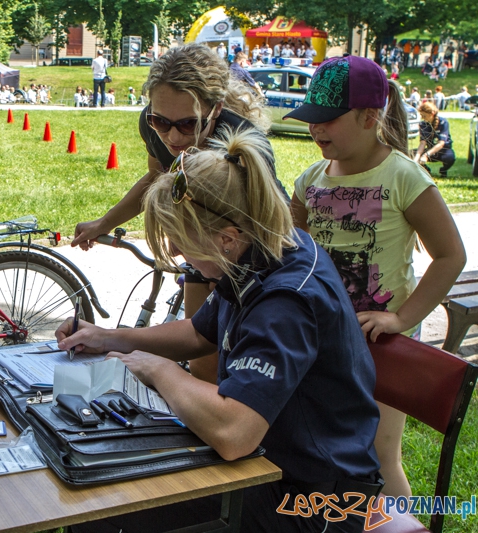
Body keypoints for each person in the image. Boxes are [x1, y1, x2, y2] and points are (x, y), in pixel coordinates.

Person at [62, 128, 384, 533]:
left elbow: (234, 433)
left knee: (106, 513)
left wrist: (161, 371)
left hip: (314, 502)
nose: (176, 252)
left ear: (227, 238)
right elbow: (199, 334)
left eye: (181, 241)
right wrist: (110, 337)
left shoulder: (286, 302)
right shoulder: (262, 249)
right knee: (104, 496)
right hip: (271, 469)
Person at [286, 56, 466, 497]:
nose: (315, 128)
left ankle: (399, 524)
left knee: (381, 454)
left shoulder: (404, 176)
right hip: (324, 337)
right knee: (326, 444)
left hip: (381, 341)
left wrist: (401, 319)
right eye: (311, 118)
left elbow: (450, 255)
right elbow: (291, 254)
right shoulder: (310, 181)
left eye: (328, 118)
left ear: (370, 117)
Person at [72, 43, 278, 384]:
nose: (171, 135)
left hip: (244, 254)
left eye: (187, 124)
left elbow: (258, 230)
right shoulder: (154, 128)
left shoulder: (243, 143)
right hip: (204, 247)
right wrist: (103, 223)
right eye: (160, 121)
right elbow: (156, 178)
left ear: (216, 109)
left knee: (227, 366)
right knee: (201, 364)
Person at [414, 101, 456, 178]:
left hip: (443, 151)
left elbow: (441, 143)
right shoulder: (423, 124)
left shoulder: (443, 122)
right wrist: (416, 158)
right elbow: (423, 143)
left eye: (424, 116)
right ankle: (426, 171)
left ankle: (443, 170)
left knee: (450, 157)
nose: (423, 118)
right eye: (421, 115)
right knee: (410, 153)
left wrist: (426, 155)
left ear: (432, 113)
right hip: (430, 150)